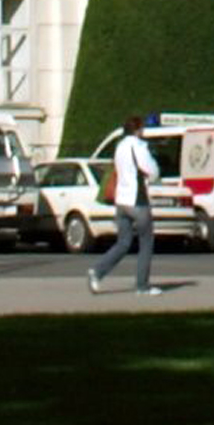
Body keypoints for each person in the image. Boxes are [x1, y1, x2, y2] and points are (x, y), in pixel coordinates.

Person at [87, 118, 165, 296]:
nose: (143, 132)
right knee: (146, 242)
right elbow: (152, 170)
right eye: (142, 128)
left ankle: (97, 272)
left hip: (121, 200)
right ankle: (142, 285)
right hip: (137, 200)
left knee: (123, 243)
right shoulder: (138, 146)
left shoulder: (120, 146)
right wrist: (153, 176)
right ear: (137, 129)